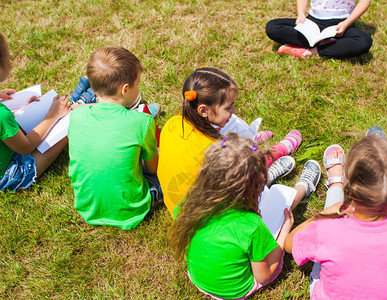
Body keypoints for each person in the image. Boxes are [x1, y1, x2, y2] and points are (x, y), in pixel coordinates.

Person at [169, 133, 321, 300]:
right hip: (236, 289)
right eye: (260, 184)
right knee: (281, 211)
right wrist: (285, 230)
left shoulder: (189, 202)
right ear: (251, 190)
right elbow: (264, 275)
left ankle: (267, 177)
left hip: (200, 279)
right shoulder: (251, 225)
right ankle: (302, 188)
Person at [285, 136, 387, 300]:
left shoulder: (326, 231)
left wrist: (328, 213)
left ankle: (335, 186)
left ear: (350, 186)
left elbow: (290, 244)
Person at [158, 67, 302, 218]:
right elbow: (240, 190)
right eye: (228, 107)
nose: (234, 111)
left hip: (179, 211)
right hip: (210, 221)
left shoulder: (172, 123)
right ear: (203, 110)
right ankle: (295, 176)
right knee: (277, 205)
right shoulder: (217, 152)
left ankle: (250, 143)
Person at [68, 46, 161, 230]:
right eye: (138, 83)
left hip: (88, 208)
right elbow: (153, 168)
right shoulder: (142, 122)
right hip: (132, 210)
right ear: (125, 89)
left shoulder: (76, 116)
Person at [0, 32, 71, 191]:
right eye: (8, 60)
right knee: (64, 126)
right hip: (7, 175)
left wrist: (21, 109)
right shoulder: (2, 115)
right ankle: (78, 103)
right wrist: (52, 116)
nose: (11, 64)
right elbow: (26, 147)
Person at [265, 0, 372, 59]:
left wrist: (346, 23)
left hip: (342, 24)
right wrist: (301, 14)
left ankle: (311, 52)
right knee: (273, 27)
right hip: (313, 21)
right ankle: (335, 47)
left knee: (364, 41)